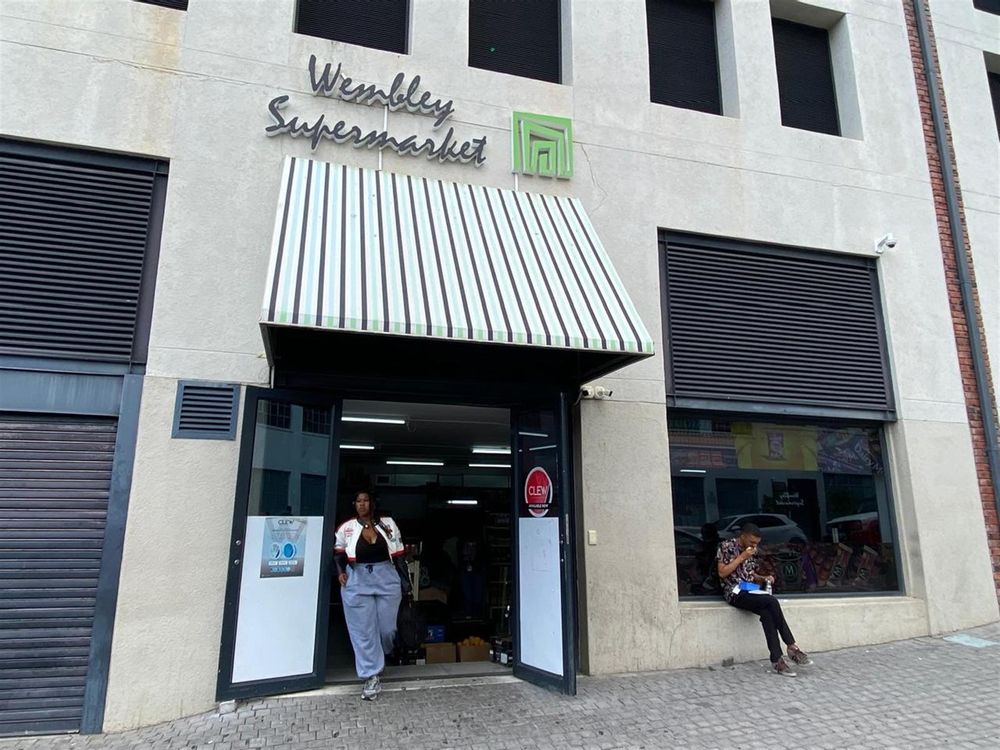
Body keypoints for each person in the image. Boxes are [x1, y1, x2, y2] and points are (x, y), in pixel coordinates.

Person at [334, 491, 411, 700]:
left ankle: (381, 654)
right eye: (358, 501)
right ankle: (371, 676)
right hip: (357, 578)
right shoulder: (347, 528)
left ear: (372, 503)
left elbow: (400, 555)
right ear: (354, 504)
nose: (362, 504)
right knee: (363, 631)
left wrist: (406, 584)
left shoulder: (388, 524)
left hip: (386, 577)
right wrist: (340, 572)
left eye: (365, 500)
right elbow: (338, 554)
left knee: (387, 629)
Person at [716, 522, 812, 677]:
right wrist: (742, 557)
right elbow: (722, 572)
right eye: (752, 542)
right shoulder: (726, 546)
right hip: (734, 590)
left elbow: (750, 574)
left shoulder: (752, 551)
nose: (754, 546)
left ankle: (777, 660)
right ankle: (791, 646)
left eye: (757, 543)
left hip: (750, 589)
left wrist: (763, 578)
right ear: (743, 536)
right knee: (771, 601)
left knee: (767, 613)